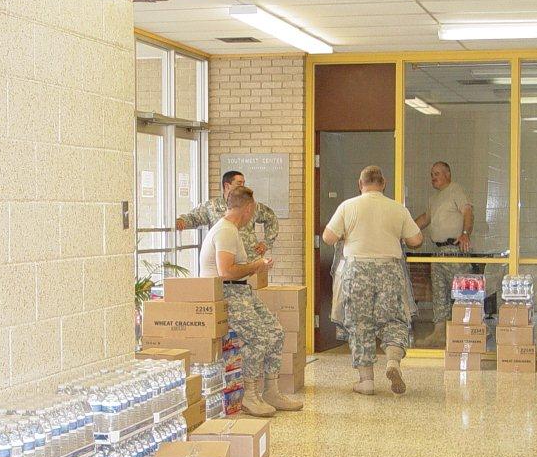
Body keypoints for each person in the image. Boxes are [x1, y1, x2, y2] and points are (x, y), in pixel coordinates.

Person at [199, 186, 302, 417]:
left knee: (275, 332)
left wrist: (257, 266)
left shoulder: (231, 229)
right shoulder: (225, 231)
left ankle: (271, 390)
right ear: (247, 209)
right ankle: (249, 395)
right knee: (259, 339)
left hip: (241, 291)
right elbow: (226, 271)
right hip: (227, 293)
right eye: (253, 211)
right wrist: (257, 266)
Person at [323, 166, 424, 395]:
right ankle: (392, 362)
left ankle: (366, 381)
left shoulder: (347, 206)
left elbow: (328, 238)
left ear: (360, 184)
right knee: (394, 320)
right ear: (384, 183)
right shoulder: (397, 208)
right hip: (389, 269)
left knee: (360, 324)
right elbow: (416, 239)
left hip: (356, 271)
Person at [412, 162, 474, 347]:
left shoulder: (455, 190)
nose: (433, 177)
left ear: (448, 174)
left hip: (453, 249)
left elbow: (468, 211)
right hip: (438, 252)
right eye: (431, 174)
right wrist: (405, 231)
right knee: (439, 294)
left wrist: (465, 234)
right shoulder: (435, 198)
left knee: (462, 293)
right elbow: (425, 219)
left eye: (437, 173)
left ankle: (467, 333)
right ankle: (439, 333)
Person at [176, 170, 279, 261]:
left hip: (249, 259)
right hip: (223, 261)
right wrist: (182, 221)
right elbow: (193, 217)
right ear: (227, 185)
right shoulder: (212, 206)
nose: (243, 186)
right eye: (239, 183)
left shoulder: (251, 205)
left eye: (244, 183)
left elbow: (271, 217)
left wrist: (266, 243)